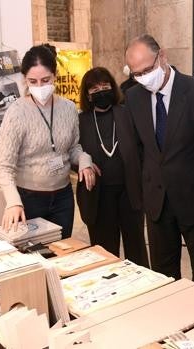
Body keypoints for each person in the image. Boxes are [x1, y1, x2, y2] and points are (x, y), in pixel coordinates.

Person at [124, 34, 194, 290]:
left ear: (163, 56)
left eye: (148, 69)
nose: (144, 77)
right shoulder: (134, 98)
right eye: (137, 74)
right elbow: (139, 150)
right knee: (163, 278)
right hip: (157, 204)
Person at [0, 44, 98, 239]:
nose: (40, 87)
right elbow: (2, 166)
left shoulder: (68, 108)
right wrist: (13, 201)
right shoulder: (17, 112)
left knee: (62, 255)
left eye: (45, 80)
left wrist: (84, 161)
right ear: (25, 80)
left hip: (63, 197)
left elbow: (73, 147)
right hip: (29, 199)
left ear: (55, 76)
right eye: (33, 81)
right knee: (35, 259)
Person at [76, 67, 149, 267]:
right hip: (99, 196)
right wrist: (84, 164)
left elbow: (143, 147)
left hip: (129, 192)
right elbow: (72, 154)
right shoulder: (80, 121)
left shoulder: (126, 114)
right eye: (95, 88)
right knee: (104, 253)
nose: (101, 91)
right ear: (88, 94)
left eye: (105, 86)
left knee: (137, 249)